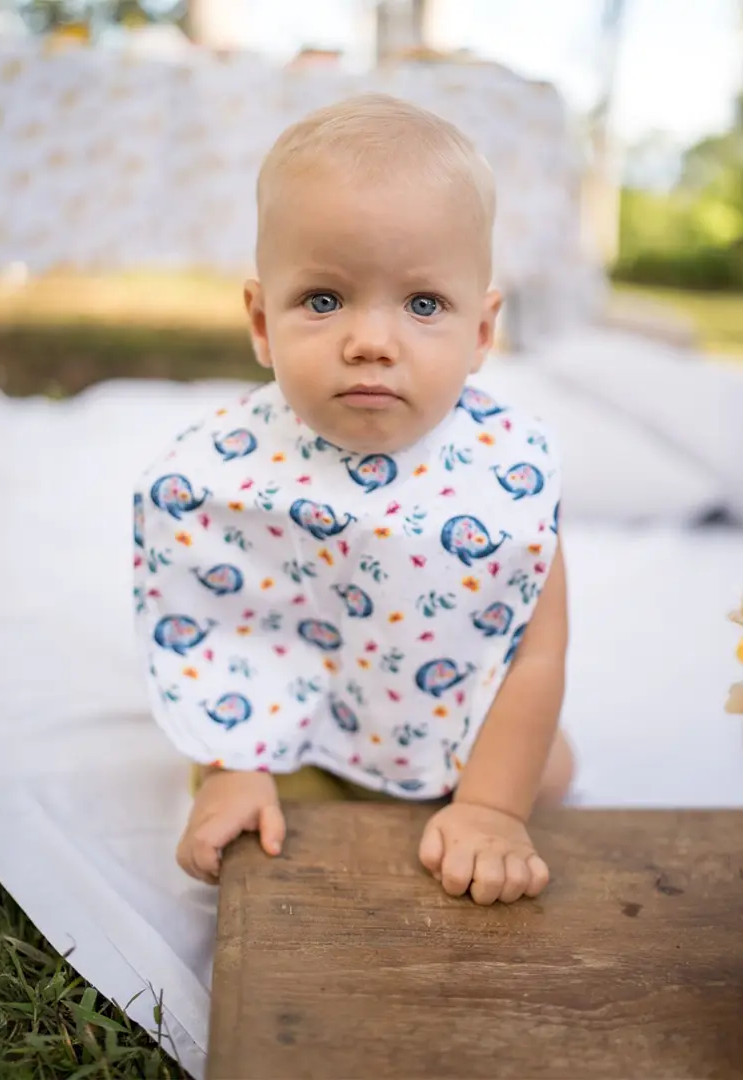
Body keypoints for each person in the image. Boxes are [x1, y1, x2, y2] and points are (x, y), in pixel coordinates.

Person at [133, 93, 572, 907]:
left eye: (423, 304)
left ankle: (470, 786)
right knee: (266, 814)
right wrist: (235, 765)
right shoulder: (230, 478)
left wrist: (491, 808)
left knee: (549, 766)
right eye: (324, 300)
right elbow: (223, 622)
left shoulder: (502, 479)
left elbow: (535, 655)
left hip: (453, 723)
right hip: (308, 732)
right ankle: (246, 774)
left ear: (482, 332)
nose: (371, 341)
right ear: (261, 322)